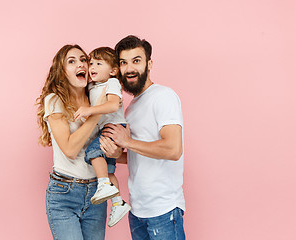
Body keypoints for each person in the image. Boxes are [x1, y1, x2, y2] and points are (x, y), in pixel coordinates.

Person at [100, 35, 186, 240]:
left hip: (163, 210)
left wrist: (126, 142)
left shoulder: (163, 96)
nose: (129, 68)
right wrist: (117, 154)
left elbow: (173, 150)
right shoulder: (130, 108)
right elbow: (140, 153)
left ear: (149, 64)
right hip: (137, 210)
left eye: (136, 61)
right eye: (123, 62)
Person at [36, 44, 107, 240]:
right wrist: (97, 113)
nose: (80, 64)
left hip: (97, 192)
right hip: (64, 193)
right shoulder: (54, 101)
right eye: (72, 61)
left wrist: (117, 149)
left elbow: (104, 149)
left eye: (83, 60)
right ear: (62, 71)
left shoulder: (96, 97)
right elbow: (69, 148)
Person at [74, 47, 131, 227]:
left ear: (113, 71)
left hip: (113, 128)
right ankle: (118, 203)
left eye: (99, 64)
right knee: (109, 170)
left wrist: (90, 110)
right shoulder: (92, 86)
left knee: (92, 152)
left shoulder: (112, 83)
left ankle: (103, 184)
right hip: (104, 129)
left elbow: (113, 105)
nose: (92, 67)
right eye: (91, 63)